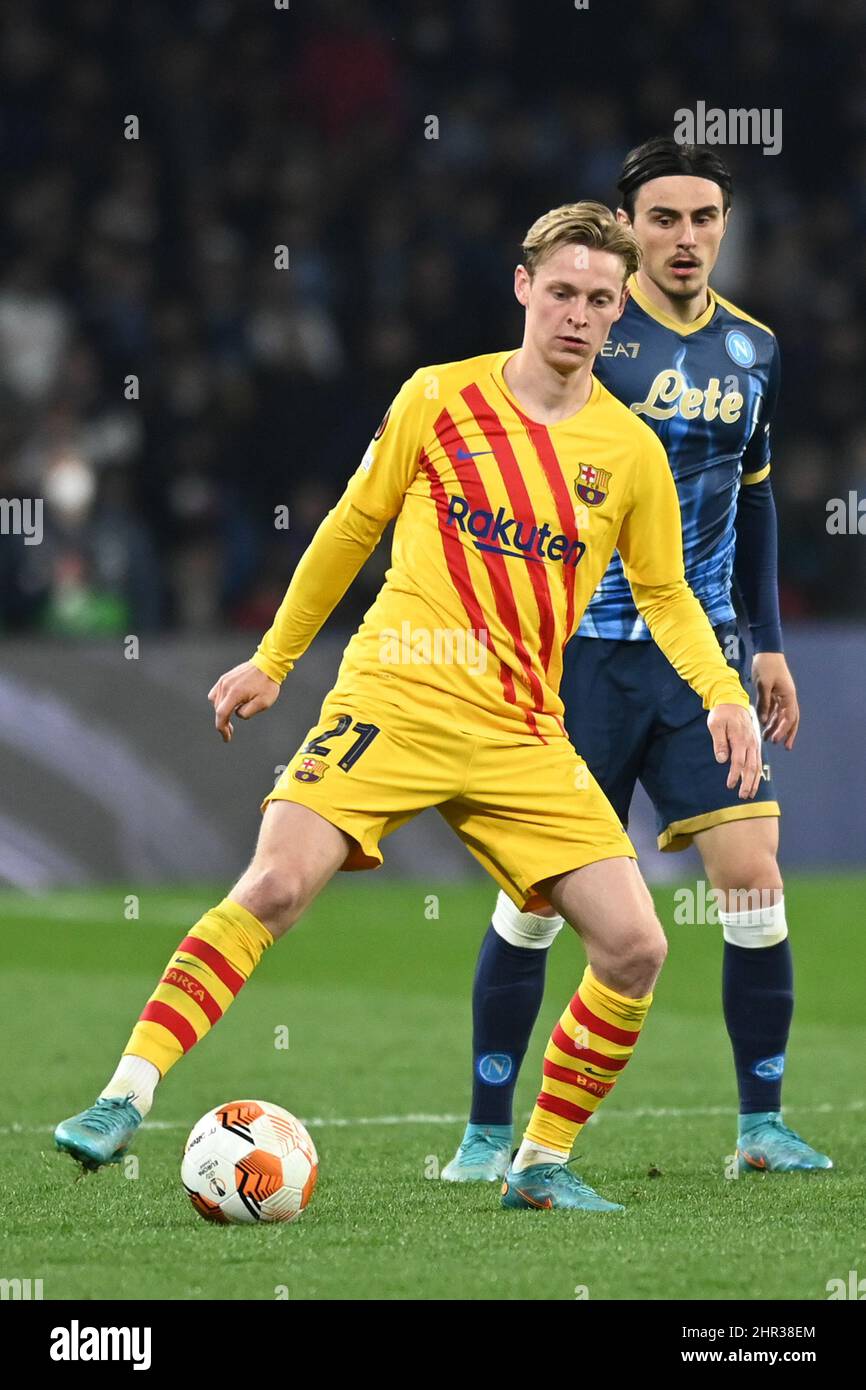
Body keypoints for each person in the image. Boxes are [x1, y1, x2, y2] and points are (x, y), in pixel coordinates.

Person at [55, 201, 760, 1212]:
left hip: (521, 731)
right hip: (393, 697)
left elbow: (662, 596)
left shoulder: (630, 453)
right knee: (274, 887)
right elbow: (351, 528)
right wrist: (274, 660)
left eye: (599, 301)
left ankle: (539, 1163)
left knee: (636, 943)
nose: (576, 314)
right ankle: (124, 1096)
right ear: (523, 287)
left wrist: (722, 693)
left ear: (618, 316)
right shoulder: (438, 397)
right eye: (560, 291)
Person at [443, 141, 831, 1186]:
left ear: (723, 227)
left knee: (752, 883)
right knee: (530, 897)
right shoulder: (587, 336)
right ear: (625, 230)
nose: (685, 239)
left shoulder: (753, 351)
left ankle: (759, 1124)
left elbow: (752, 501)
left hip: (694, 655)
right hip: (570, 658)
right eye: (662, 219)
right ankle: (486, 1133)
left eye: (703, 218)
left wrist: (768, 648)